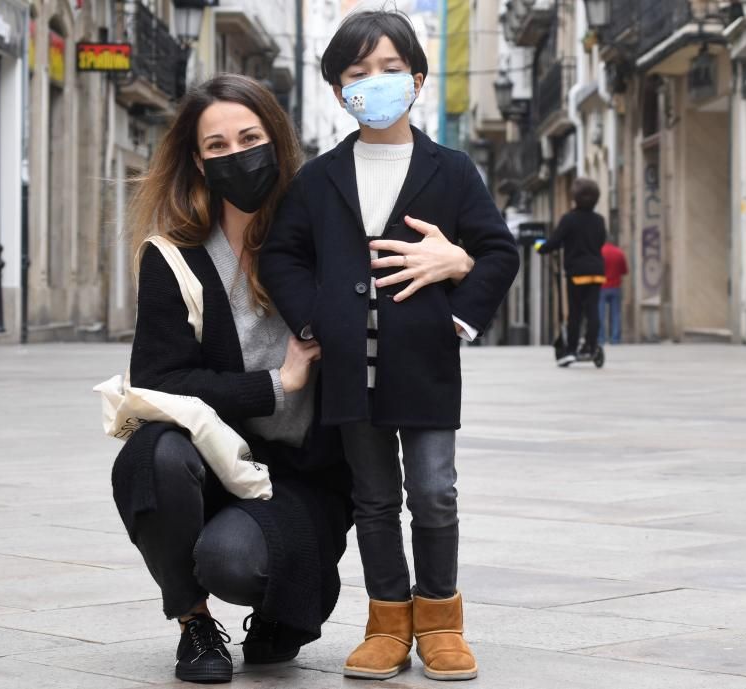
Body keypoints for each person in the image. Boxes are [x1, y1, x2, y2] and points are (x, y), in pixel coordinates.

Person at [111, 74, 478, 685]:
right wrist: (277, 382)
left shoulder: (321, 227)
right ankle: (193, 621)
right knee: (154, 457)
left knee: (235, 561)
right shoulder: (174, 256)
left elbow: (412, 268)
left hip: (299, 473)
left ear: (277, 143)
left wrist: (461, 263)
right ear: (197, 161)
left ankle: (292, 606)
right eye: (218, 146)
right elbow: (157, 378)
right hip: (210, 458)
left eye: (250, 138)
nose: (237, 156)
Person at [260, 10, 520, 682]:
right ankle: (386, 622)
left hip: (426, 362)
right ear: (338, 89)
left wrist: (458, 307)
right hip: (350, 369)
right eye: (357, 72)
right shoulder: (318, 179)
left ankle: (439, 619)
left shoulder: (452, 170)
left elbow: (497, 251)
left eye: (389, 68)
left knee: (434, 491)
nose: (374, 82)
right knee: (373, 498)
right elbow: (283, 255)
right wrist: (314, 319)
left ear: (417, 77)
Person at [538, 178, 607, 366]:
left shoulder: (569, 219)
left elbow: (555, 241)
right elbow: (601, 241)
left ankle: (571, 349)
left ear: (575, 198)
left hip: (576, 272)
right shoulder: (599, 220)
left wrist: (541, 248)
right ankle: (592, 346)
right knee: (593, 310)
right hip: (596, 270)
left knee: (575, 312)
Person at [599, 239, 628, 344]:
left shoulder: (600, 252)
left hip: (602, 286)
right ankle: (615, 338)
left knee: (600, 314)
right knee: (616, 314)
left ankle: (601, 338)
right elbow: (624, 270)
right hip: (615, 286)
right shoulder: (619, 252)